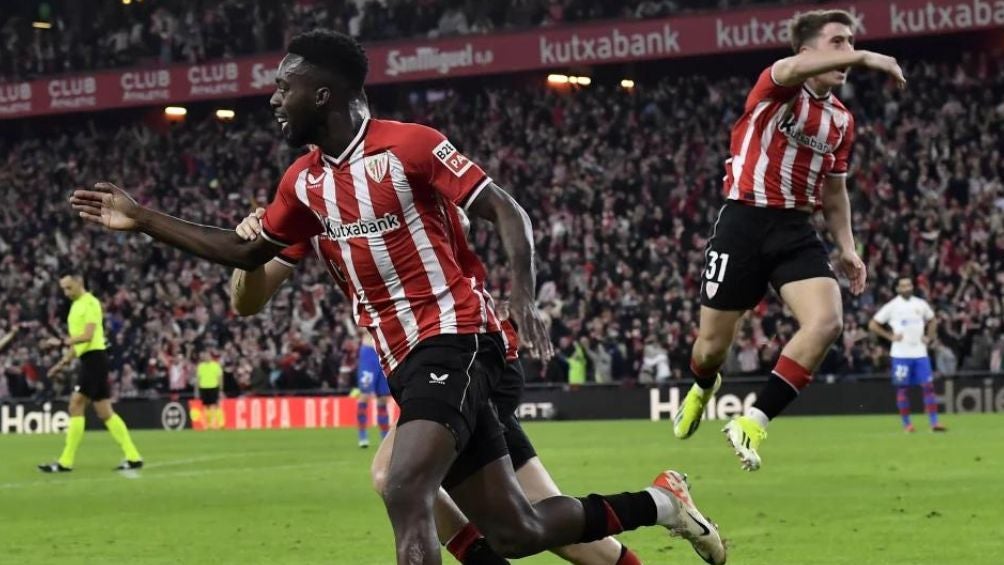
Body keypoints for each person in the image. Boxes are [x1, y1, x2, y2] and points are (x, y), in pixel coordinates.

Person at [72, 30, 725, 564]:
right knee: (518, 528)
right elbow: (247, 267)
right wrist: (145, 218)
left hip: (460, 338)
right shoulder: (302, 186)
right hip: (406, 365)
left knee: (402, 480)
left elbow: (507, 211)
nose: (272, 98)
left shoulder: (409, 145)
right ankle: (662, 502)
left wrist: (523, 295)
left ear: (322, 92)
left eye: (283, 86)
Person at [233, 206, 645, 565]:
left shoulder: (395, 162)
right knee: (540, 524)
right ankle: (665, 505)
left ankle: (657, 504)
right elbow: (245, 302)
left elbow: (464, 221)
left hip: (467, 354)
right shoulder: (307, 199)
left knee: (395, 477)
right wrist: (253, 251)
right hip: (434, 366)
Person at [671, 9, 906, 471]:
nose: (846, 51)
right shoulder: (776, 84)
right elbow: (792, 70)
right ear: (807, 51)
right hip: (742, 223)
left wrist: (847, 246)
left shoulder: (840, 120)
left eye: (851, 41)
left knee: (827, 320)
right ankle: (703, 385)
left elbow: (835, 190)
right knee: (711, 348)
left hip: (795, 230)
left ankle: (752, 422)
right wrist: (867, 57)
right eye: (836, 42)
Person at [38, 274, 143, 473]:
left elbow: (87, 335)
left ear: (79, 283)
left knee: (76, 404)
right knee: (105, 412)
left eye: (69, 288)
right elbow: (79, 342)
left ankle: (65, 462)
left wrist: (59, 343)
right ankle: (133, 456)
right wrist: (62, 363)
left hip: (95, 359)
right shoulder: (76, 306)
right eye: (63, 289)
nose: (66, 293)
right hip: (91, 359)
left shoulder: (91, 303)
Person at [868, 277, 946, 433]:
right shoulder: (892, 306)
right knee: (903, 389)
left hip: (920, 353)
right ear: (897, 289)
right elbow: (873, 324)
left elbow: (932, 320)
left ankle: (934, 423)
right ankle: (907, 425)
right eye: (903, 286)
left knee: (928, 387)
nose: (906, 288)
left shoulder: (920, 304)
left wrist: (929, 337)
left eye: (908, 285)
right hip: (901, 354)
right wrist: (890, 337)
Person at [355, 332, 391, 448]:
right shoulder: (367, 313)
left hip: (384, 353)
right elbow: (362, 327)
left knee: (383, 398)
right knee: (365, 394)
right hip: (369, 353)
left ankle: (385, 436)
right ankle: (362, 435)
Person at [195, 350, 225, 430]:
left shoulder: (216, 365)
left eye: (208, 356)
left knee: (213, 405)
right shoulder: (200, 366)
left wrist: (221, 389)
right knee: (205, 406)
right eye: (205, 356)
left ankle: (213, 424)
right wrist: (197, 390)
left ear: (211, 357)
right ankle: (206, 424)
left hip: (213, 387)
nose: (206, 357)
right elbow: (198, 379)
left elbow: (220, 378)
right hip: (203, 387)